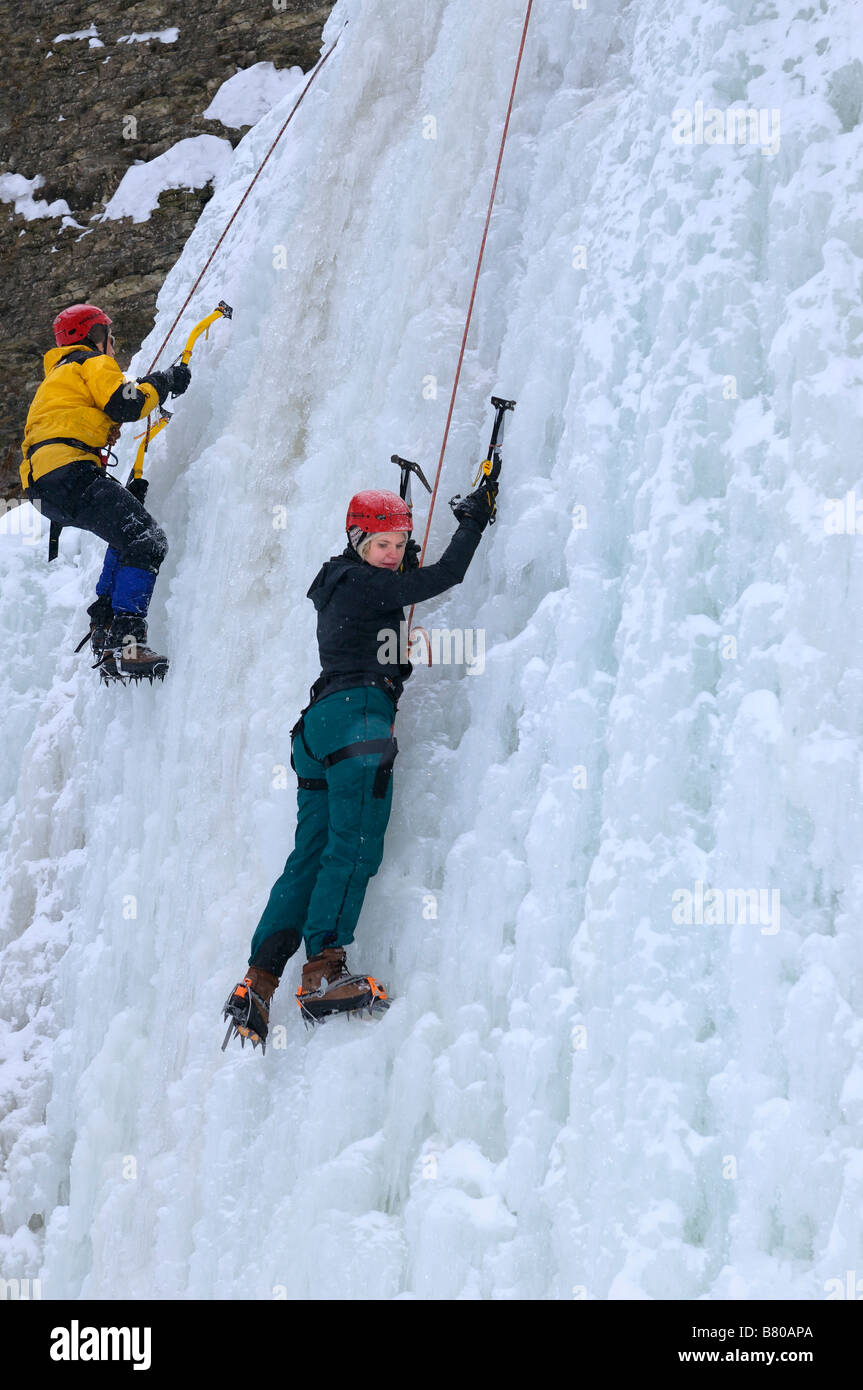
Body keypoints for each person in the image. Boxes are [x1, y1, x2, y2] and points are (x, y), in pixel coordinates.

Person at [223, 470, 499, 1047]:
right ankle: (323, 970)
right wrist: (473, 520)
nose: (393, 555)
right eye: (383, 545)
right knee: (354, 844)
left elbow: (382, 624)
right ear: (357, 543)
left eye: (399, 545)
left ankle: (259, 979)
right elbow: (445, 576)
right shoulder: (365, 581)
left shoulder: (341, 582)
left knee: (311, 853)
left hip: (317, 729)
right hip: (357, 721)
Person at [20, 303, 191, 681]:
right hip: (70, 472)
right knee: (147, 541)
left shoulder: (57, 380)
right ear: (95, 336)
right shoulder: (90, 362)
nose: (113, 344)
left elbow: (82, 418)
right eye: (108, 335)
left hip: (44, 486)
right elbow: (126, 402)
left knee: (126, 537)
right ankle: (128, 641)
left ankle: (105, 628)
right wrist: (165, 382)